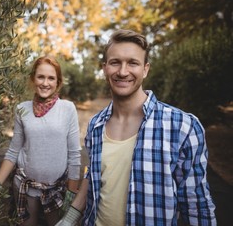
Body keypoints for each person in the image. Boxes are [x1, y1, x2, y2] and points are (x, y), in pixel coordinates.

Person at [58, 29, 216, 225]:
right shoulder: (96, 125)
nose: (123, 72)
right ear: (105, 68)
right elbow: (93, 176)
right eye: (115, 62)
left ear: (145, 69)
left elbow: (196, 205)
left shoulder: (182, 126)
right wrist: (69, 219)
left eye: (133, 63)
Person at [0, 55, 81, 226]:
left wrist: (72, 193)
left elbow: (74, 154)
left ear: (58, 82)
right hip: (25, 186)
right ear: (33, 78)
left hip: (56, 190)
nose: (45, 83)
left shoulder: (67, 109)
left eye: (51, 78)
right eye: (41, 77)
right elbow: (13, 151)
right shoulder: (22, 109)